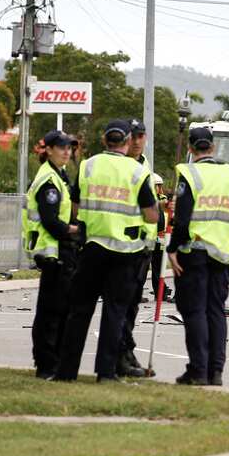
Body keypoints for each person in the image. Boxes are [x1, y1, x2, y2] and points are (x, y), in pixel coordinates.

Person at [53, 119, 160, 383]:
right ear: (126, 141)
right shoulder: (136, 171)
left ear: (105, 140)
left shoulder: (88, 166)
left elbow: (75, 208)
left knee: (80, 311)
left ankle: (66, 372)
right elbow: (151, 215)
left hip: (91, 249)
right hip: (124, 253)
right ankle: (106, 372)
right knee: (114, 313)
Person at [169, 126, 229, 386]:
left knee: (194, 311)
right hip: (222, 253)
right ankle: (215, 372)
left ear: (190, 148)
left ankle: (198, 370)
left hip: (194, 252)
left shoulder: (190, 173)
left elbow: (183, 219)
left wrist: (172, 248)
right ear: (214, 146)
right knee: (215, 311)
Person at [22, 129, 81, 378]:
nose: (66, 151)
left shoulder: (60, 175)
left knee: (58, 310)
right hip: (53, 254)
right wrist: (78, 231)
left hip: (59, 252)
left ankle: (52, 361)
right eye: (61, 147)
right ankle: (46, 365)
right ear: (47, 150)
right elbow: (50, 221)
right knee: (51, 313)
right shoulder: (49, 180)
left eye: (69, 147)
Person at [118, 118, 163, 378]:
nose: (136, 141)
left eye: (140, 136)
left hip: (143, 246)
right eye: (132, 136)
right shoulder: (121, 165)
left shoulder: (144, 165)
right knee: (122, 305)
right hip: (122, 244)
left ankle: (127, 350)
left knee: (133, 304)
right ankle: (122, 353)